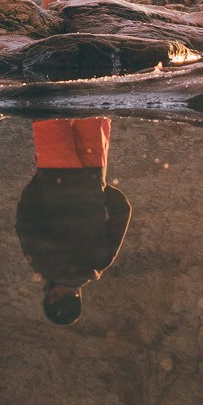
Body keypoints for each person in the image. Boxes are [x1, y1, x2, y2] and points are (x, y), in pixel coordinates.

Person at [13, 117, 132, 325]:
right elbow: (26, 219)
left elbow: (122, 211)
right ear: (53, 297)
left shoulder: (100, 262)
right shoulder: (44, 264)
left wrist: (101, 191)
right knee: (48, 107)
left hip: (93, 170)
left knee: (91, 103)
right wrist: (39, 182)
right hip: (55, 172)